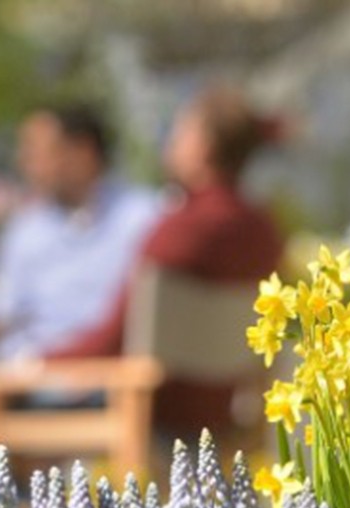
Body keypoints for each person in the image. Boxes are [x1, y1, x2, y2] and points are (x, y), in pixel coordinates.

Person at [49, 84, 285, 437]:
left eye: (179, 132)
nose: (170, 143)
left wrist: (36, 364)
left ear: (202, 146)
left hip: (150, 415)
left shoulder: (179, 229)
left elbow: (115, 337)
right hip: (221, 415)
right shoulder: (265, 231)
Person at [0, 103, 160, 447]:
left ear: (82, 153)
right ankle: (13, 502)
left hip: (110, 383)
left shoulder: (144, 219)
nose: (26, 163)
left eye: (37, 152)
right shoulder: (24, 230)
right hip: (25, 382)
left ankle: (12, 500)